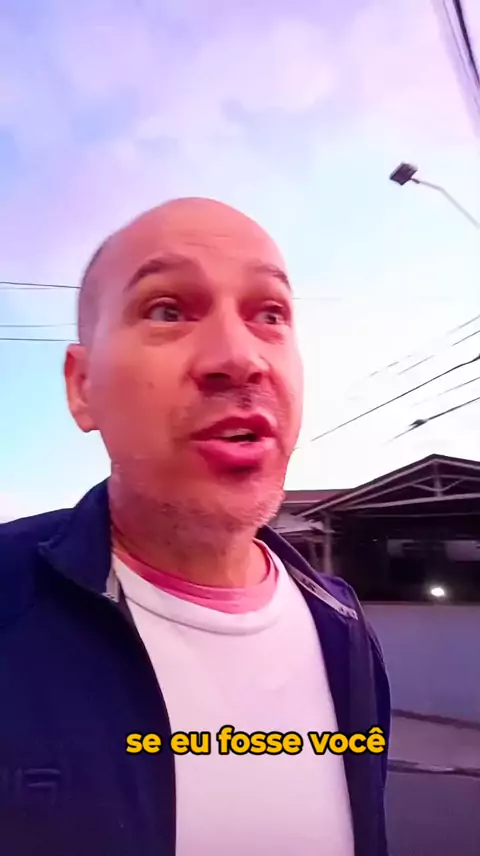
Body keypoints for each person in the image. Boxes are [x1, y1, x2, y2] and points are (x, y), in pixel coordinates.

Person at [0, 198, 390, 856]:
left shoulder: (344, 626)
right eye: (167, 310)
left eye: (270, 314)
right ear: (82, 386)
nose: (240, 358)